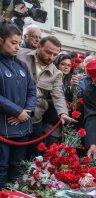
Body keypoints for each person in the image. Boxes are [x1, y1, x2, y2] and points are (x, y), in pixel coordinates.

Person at [18, 36, 74, 158]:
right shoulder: (20, 54)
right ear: (38, 46)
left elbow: (58, 95)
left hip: (35, 117)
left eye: (55, 54)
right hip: (14, 113)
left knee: (34, 155)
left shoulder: (56, 73)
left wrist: (63, 113)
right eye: (48, 52)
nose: (52, 58)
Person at [0, 19, 36, 189]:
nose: (17, 47)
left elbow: (32, 91)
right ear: (1, 40)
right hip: (3, 127)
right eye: (13, 43)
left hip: (23, 125)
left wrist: (25, 112)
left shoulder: (22, 65)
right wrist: (16, 111)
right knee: (2, 167)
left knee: (18, 166)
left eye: (19, 43)